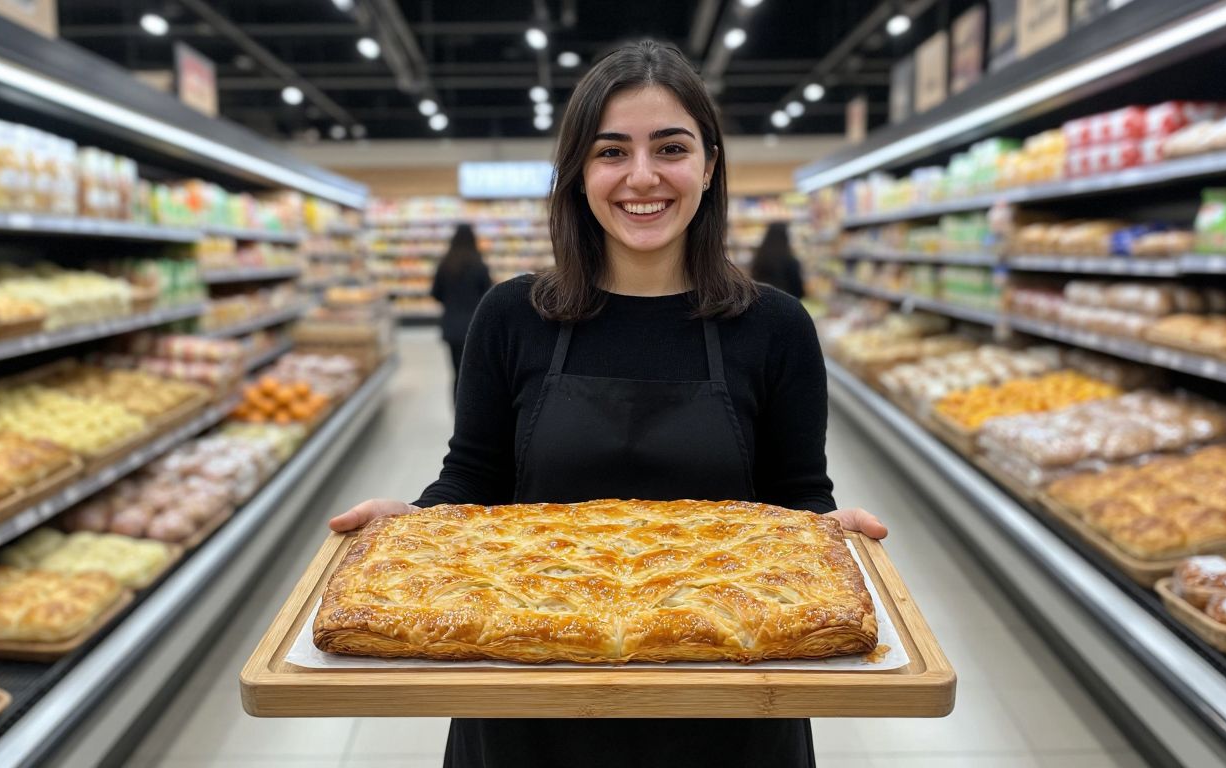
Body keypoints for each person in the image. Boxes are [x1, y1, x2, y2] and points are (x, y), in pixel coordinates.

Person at [330, 39, 887, 768]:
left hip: (729, 701)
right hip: (528, 701)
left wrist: (828, 535)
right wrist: (414, 531)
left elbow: (794, 506)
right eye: (612, 151)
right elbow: (473, 479)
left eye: (671, 148)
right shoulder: (511, 316)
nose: (642, 176)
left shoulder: (775, 327)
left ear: (710, 166)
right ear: (578, 174)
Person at [429, 223, 493, 398]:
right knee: (475, 374)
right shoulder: (479, 265)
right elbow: (489, 295)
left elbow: (435, 293)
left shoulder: (445, 265)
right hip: (475, 326)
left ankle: (458, 411)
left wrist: (450, 302)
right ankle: (472, 411)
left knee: (457, 373)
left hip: (451, 326)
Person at [750, 220, 805, 298]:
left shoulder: (760, 257)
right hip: (786, 302)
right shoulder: (790, 260)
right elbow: (798, 290)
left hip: (760, 300)